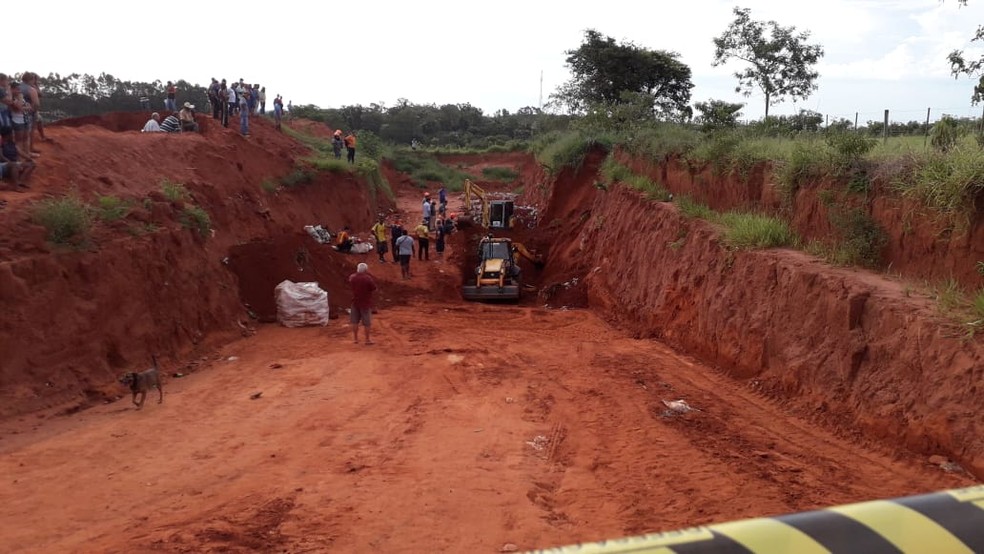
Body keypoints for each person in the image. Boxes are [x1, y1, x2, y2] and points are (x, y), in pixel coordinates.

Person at [348, 262, 377, 345]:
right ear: (365, 270)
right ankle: (367, 340)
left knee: (355, 321)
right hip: (365, 302)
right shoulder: (367, 278)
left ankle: (355, 339)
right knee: (367, 322)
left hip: (355, 301)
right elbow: (374, 288)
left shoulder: (352, 277)